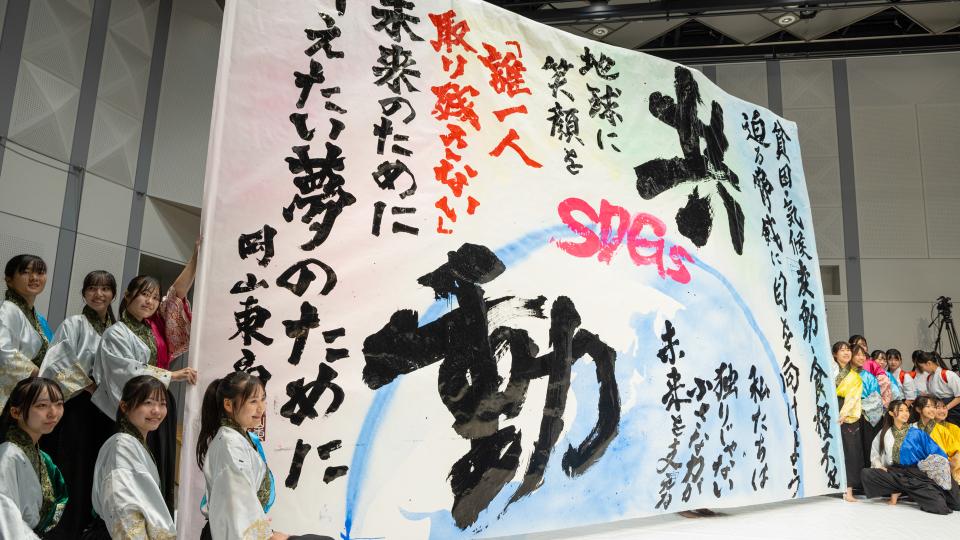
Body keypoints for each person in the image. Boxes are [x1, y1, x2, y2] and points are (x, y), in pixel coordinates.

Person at [91, 271, 199, 512]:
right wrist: (169, 375)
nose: (150, 301)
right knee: (132, 468)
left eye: (154, 297)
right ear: (128, 296)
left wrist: (195, 256)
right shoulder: (116, 333)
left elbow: (177, 294)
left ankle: (159, 520)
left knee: (159, 464)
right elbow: (125, 370)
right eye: (143, 295)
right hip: (135, 409)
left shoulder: (155, 326)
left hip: (159, 405)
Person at [39, 270, 119, 538]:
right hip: (78, 406)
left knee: (98, 469)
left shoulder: (117, 330)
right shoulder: (74, 324)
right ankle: (64, 530)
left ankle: (90, 528)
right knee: (74, 467)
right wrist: (89, 385)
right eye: (93, 288)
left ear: (113, 294)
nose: (99, 294)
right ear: (84, 293)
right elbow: (55, 363)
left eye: (105, 288)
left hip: (107, 410)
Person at [81, 376, 175, 540]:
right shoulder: (122, 445)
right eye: (148, 403)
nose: (157, 410)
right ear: (124, 406)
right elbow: (123, 506)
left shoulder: (133, 443)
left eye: (162, 404)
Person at [197, 371, 283, 540]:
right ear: (228, 405)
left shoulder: (241, 439)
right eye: (253, 401)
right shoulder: (229, 444)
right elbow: (238, 504)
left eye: (263, 399)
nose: (261, 408)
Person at [861, 400, 959, 514]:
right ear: (892, 413)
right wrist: (879, 466)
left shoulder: (917, 433)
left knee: (949, 504)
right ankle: (904, 490)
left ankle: (925, 490)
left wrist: (931, 468)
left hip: (919, 473)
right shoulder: (884, 433)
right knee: (867, 474)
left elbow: (936, 452)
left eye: (907, 410)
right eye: (901, 410)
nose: (905, 413)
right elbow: (875, 454)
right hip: (897, 473)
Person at [0, 377, 68, 536]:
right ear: (16, 412)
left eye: (58, 404)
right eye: (42, 405)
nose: (53, 413)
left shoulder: (42, 457)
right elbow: (5, 516)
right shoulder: (7, 456)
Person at [1, 255, 52, 410]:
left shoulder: (39, 319)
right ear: (9, 279)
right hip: (13, 398)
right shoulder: (7, 310)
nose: (34, 278)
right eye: (26, 272)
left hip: (30, 395)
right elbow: (3, 352)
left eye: (40, 272)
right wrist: (38, 372)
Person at [833, 341, 863, 502]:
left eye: (847, 350)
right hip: (830, 408)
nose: (846, 353)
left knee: (850, 451)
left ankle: (848, 489)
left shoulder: (854, 376)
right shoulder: (829, 371)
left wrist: (843, 414)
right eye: (841, 350)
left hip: (846, 412)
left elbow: (853, 398)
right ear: (834, 355)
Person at [852, 346, 884, 467]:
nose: (861, 357)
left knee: (866, 446)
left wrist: (860, 407)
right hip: (846, 414)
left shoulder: (870, 377)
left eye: (863, 355)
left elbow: (876, 399)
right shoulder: (844, 374)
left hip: (865, 416)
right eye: (857, 354)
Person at [914, 351, 960, 427]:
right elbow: (934, 395)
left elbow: (959, 396)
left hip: (953, 410)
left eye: (922, 367)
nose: (923, 370)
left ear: (928, 363)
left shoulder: (948, 374)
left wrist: (945, 408)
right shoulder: (929, 378)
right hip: (939, 410)